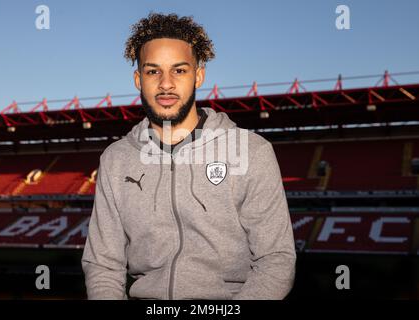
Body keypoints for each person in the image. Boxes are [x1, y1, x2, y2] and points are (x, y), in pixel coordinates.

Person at [81, 12, 296, 300]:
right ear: (138, 79)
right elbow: (103, 264)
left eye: (179, 70)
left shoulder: (252, 151)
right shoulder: (116, 159)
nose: (166, 83)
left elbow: (276, 261)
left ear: (199, 75)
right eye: (153, 71)